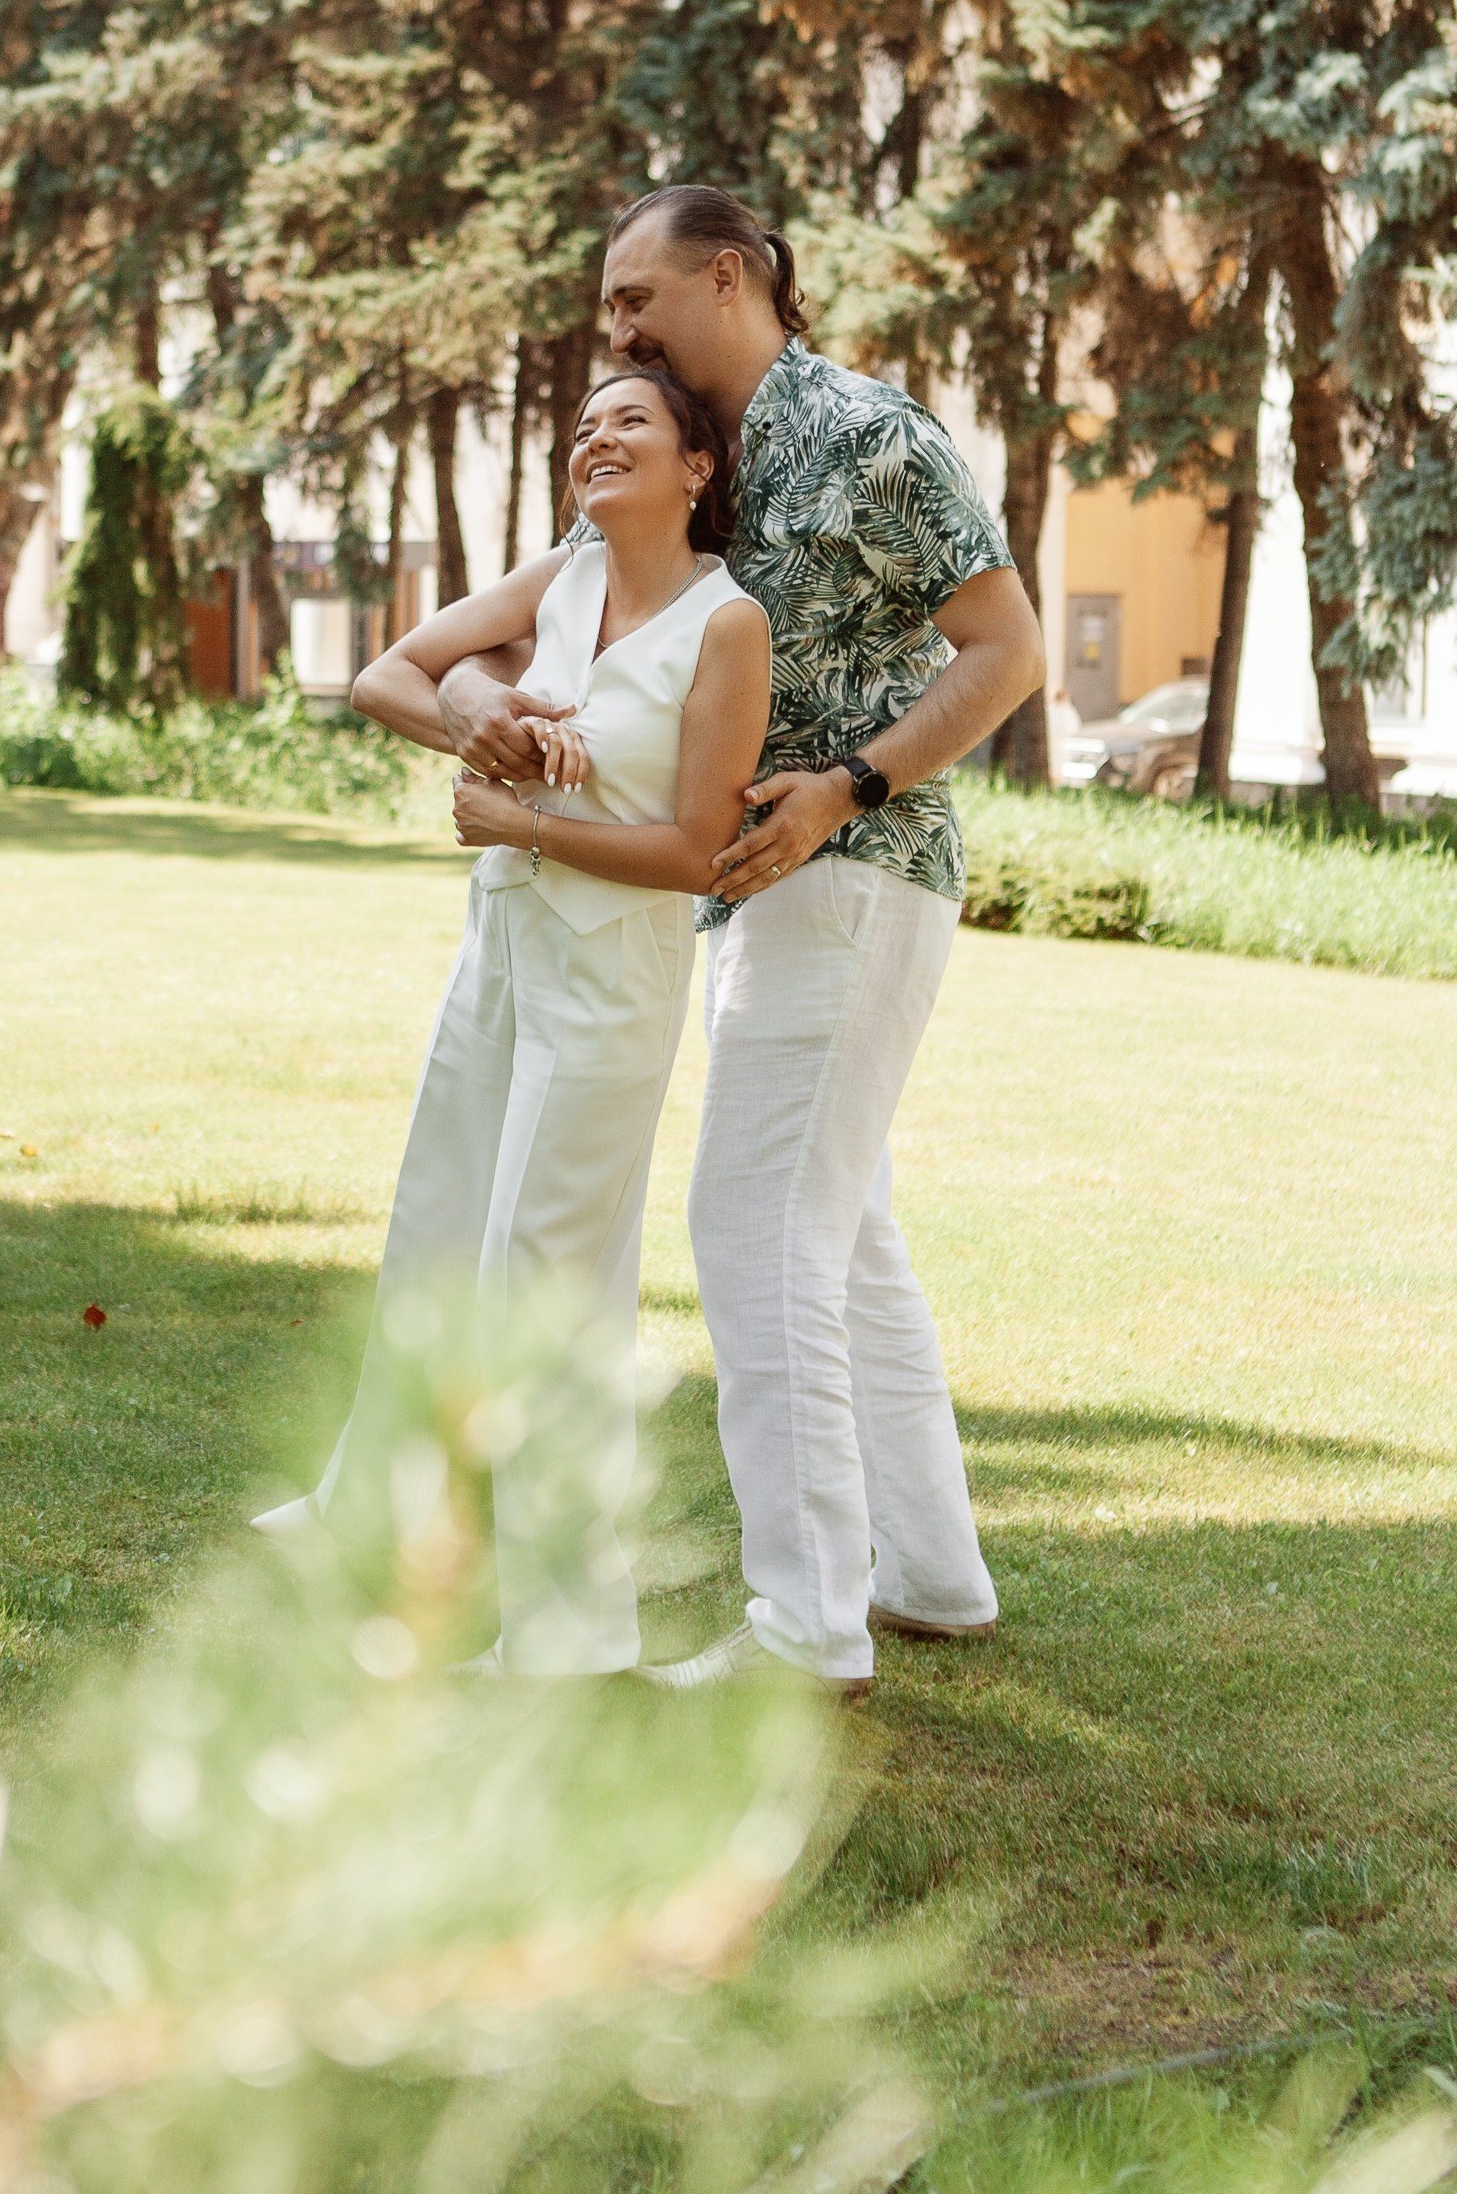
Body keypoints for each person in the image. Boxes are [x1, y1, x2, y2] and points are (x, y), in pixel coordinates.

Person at [438, 187, 1046, 1689]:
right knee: (846, 1235)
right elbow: (535, 629)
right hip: (746, 895)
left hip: (855, 876)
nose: (619, 328)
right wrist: (492, 713)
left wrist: (849, 786)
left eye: (635, 297)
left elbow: (1008, 650)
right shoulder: (684, 454)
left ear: (728, 276)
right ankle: (933, 1574)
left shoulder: (870, 434)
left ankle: (806, 1631)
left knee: (758, 1229)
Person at [257, 364, 771, 1673]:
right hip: (498, 948)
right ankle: (365, 1514)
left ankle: (566, 1628)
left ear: (696, 467)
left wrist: (522, 821)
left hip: (608, 981)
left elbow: (701, 851)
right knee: (434, 1231)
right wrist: (482, 717)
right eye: (583, 424)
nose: (596, 437)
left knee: (548, 1288)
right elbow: (386, 677)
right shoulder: (563, 577)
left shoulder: (727, 626)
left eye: (630, 421)